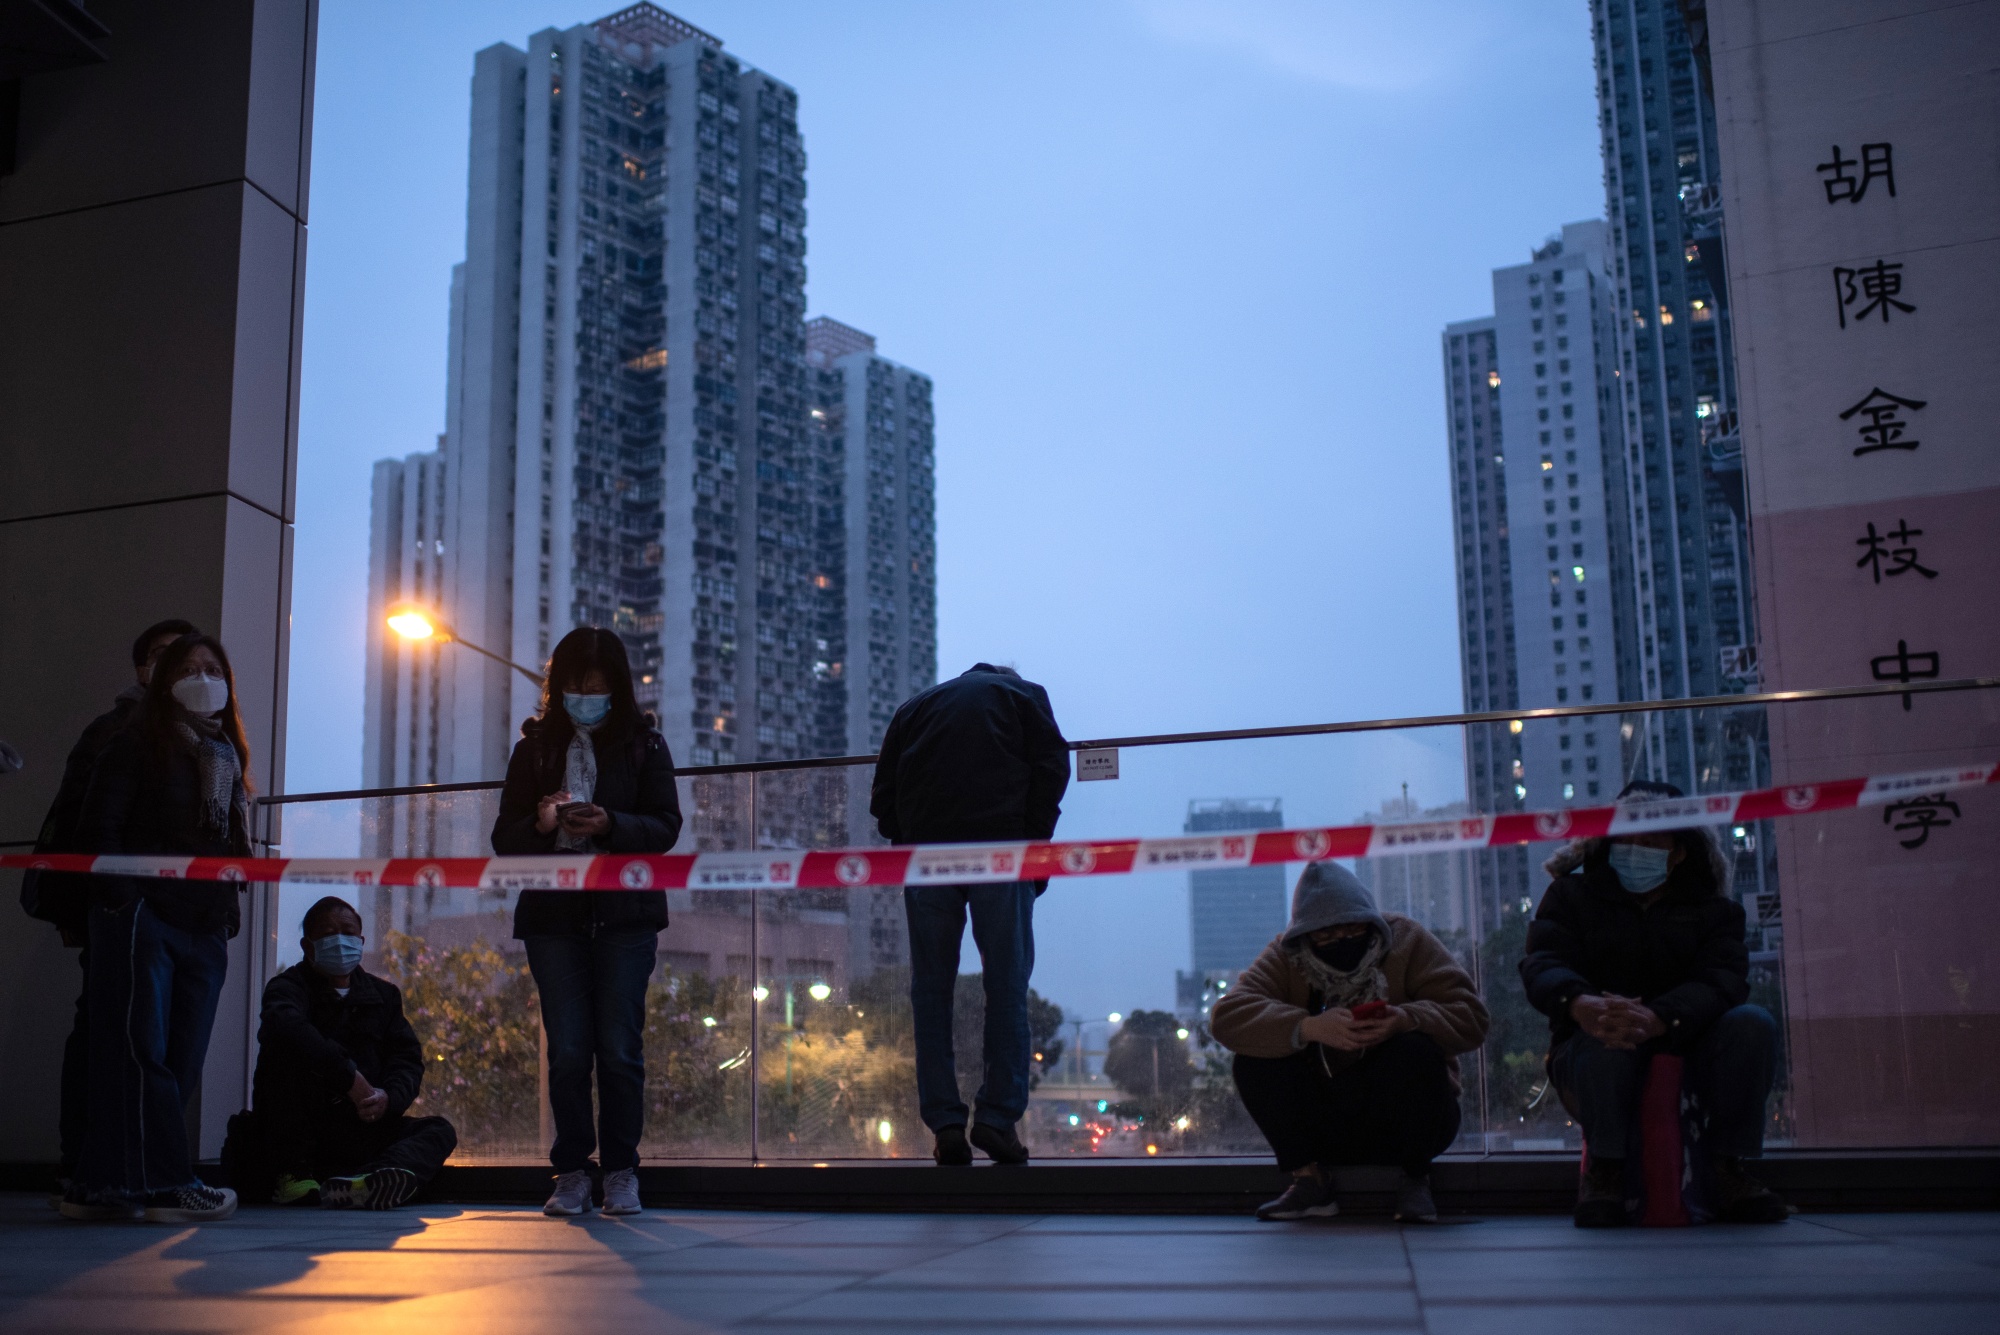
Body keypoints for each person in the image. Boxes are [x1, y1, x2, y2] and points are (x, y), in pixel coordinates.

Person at [1520, 779, 1788, 1227]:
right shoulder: (1571, 896)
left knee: (1753, 1024)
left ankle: (1727, 1170)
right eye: (1627, 839)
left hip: (1688, 1039)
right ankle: (1604, 1173)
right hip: (1593, 1040)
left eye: (1651, 841)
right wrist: (1581, 1004)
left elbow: (1723, 980)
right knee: (1608, 1042)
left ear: (1679, 850)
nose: (1636, 849)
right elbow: (1542, 962)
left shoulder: (1714, 910)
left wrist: (1661, 1018)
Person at [62, 633, 252, 1222]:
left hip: (204, 924)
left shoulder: (227, 754)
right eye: (189, 668)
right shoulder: (134, 744)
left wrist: (224, 911)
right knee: (137, 1054)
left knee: (180, 1059)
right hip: (146, 916)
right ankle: (167, 1185)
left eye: (212, 668)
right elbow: (100, 831)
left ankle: (110, 1184)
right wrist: (126, 902)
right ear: (165, 679)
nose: (202, 677)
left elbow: (230, 845)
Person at [493, 627, 682, 1217]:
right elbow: (505, 839)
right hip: (554, 918)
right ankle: (572, 1171)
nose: (586, 697)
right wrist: (546, 825)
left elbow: (666, 827)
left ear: (618, 689)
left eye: (597, 688)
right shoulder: (534, 749)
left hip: (626, 917)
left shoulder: (645, 746)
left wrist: (610, 825)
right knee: (570, 1050)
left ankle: (622, 1170)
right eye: (575, 687)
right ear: (558, 689)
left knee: (620, 1050)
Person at [22, 618, 200, 1199]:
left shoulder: (212, 741)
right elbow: (80, 823)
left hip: (187, 917)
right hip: (125, 914)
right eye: (162, 656)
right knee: (107, 1035)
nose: (177, 667)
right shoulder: (114, 732)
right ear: (142, 669)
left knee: (168, 1046)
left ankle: (142, 1168)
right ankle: (89, 1166)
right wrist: (98, 907)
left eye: (189, 658)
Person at [870, 662, 1070, 1167]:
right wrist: (1033, 849)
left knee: (931, 990)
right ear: (1006, 675)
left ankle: (946, 1125)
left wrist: (911, 839)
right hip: (1001, 851)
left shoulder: (913, 708)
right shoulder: (1024, 694)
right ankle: (998, 1121)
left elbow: (881, 801)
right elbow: (1053, 769)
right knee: (1005, 986)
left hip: (927, 857)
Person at [1212, 862, 1489, 1223]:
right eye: (1325, 937)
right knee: (1253, 1060)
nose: (1342, 941)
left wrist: (1406, 1019)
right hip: (1325, 1123)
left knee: (1415, 1051)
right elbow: (1227, 1016)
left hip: (1410, 1119)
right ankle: (1309, 1181)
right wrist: (1308, 1028)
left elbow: (1472, 1016)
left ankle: (1416, 1179)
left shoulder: (1406, 940)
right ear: (1305, 936)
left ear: (1371, 922)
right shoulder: (1287, 955)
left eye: (1353, 929)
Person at [224, 897, 456, 1209]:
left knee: (438, 1130)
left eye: (347, 932)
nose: (340, 940)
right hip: (298, 1133)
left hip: (361, 1130)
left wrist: (388, 1098)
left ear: (360, 941)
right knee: (288, 1052)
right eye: (329, 933)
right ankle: (295, 1176)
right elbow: (287, 1029)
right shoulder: (287, 989)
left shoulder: (384, 996)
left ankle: (366, 1182)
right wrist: (348, 1078)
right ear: (308, 946)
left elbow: (406, 1059)